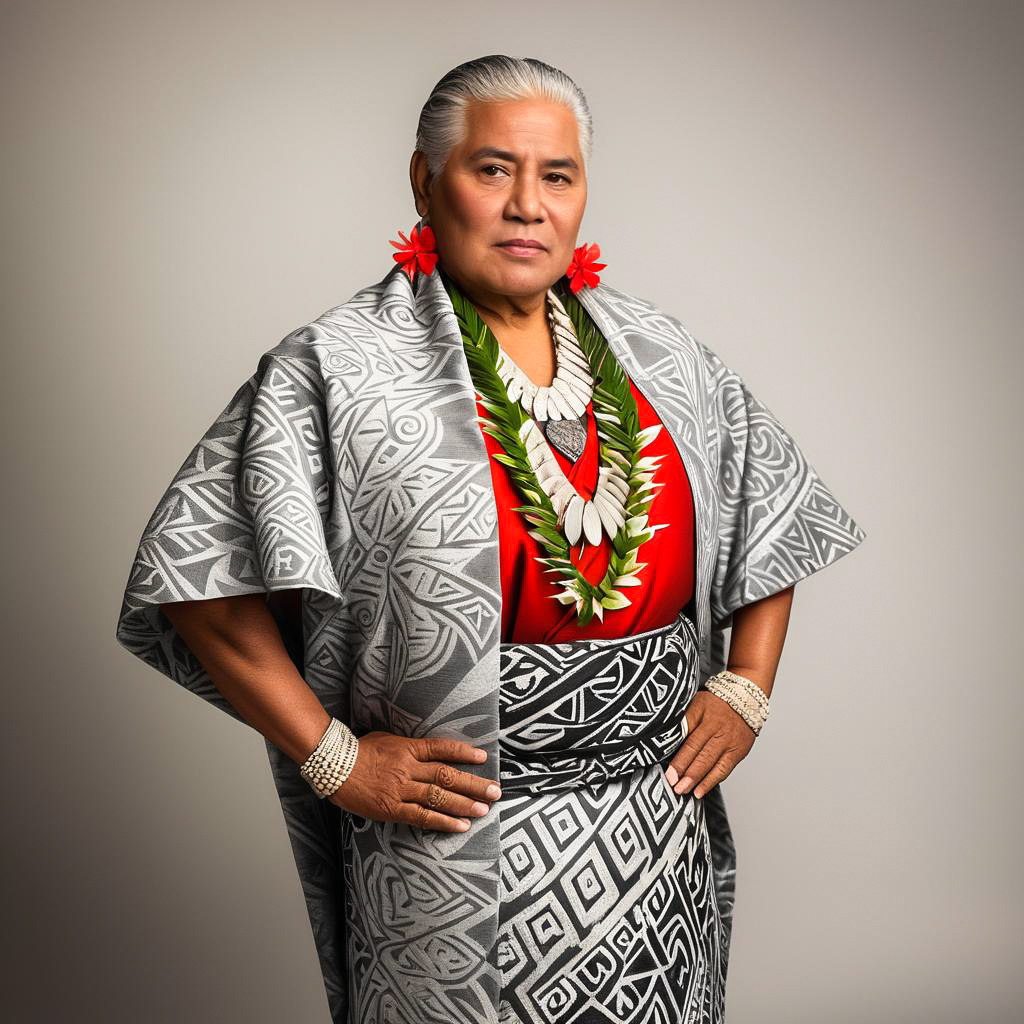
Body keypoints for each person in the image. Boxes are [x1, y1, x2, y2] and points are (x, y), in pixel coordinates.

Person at [115, 54, 866, 1024]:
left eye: (556, 175)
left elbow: (777, 507)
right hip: (451, 839)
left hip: (649, 824)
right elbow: (198, 576)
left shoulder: (659, 353)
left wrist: (746, 683)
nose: (527, 204)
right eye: (491, 169)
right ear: (425, 183)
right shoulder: (338, 369)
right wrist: (335, 756)